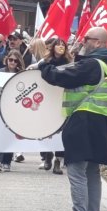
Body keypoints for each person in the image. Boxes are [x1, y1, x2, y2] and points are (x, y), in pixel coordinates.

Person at [39, 27, 107, 211]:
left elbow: (61, 77)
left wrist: (44, 66)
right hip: (101, 123)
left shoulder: (92, 64)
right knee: (92, 172)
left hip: (83, 121)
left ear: (98, 43)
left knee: (76, 172)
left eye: (87, 39)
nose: (82, 41)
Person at [38, 38, 72, 174]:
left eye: (63, 45)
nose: (60, 46)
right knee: (48, 130)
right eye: (58, 44)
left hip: (63, 100)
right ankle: (47, 155)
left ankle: (58, 160)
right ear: (53, 47)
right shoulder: (45, 62)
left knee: (63, 131)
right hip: (48, 101)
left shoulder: (69, 63)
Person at [0, 50, 25, 172]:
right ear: (6, 60)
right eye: (11, 60)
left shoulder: (21, 74)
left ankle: (6, 162)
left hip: (14, 109)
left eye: (15, 61)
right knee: (0, 134)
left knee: (10, 135)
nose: (13, 62)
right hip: (0, 107)